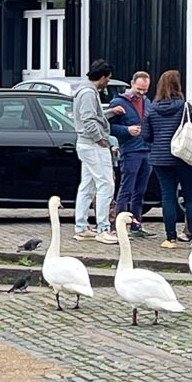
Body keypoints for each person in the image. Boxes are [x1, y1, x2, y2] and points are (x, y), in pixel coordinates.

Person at [147, 69, 192, 246]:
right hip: (183, 157)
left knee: (167, 196)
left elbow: (146, 136)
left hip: (160, 158)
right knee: (190, 196)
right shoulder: (185, 107)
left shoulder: (152, 109)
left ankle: (170, 237)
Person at [72, 60, 118, 244]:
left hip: (85, 143)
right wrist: (100, 139)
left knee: (88, 185)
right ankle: (103, 228)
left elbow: (91, 116)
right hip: (93, 144)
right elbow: (89, 120)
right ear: (103, 76)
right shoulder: (89, 93)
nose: (108, 82)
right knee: (106, 184)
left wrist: (110, 112)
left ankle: (82, 226)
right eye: (108, 78)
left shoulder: (83, 91)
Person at [107, 69, 154, 236]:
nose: (141, 93)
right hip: (130, 150)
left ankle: (137, 225)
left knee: (140, 191)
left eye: (145, 90)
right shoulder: (119, 102)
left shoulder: (148, 102)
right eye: (139, 89)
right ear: (132, 83)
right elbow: (109, 127)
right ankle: (119, 226)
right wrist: (127, 130)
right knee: (126, 188)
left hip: (146, 150)